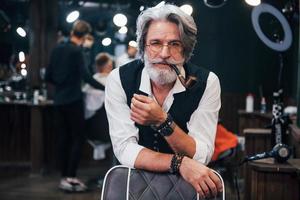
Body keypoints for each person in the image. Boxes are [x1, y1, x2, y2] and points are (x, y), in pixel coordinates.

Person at [105, 4, 222, 199]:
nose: (164, 54)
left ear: (186, 49)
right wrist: (179, 163)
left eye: (175, 44)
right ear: (143, 46)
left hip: (187, 188)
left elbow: (201, 155)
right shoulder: (119, 79)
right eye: (156, 43)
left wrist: (162, 121)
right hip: (131, 186)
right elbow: (125, 150)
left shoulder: (207, 82)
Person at [45, 20, 104, 192]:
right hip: (73, 101)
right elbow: (87, 77)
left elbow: (48, 76)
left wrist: (61, 83)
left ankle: (64, 177)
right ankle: (71, 176)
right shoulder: (77, 51)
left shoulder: (57, 49)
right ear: (85, 36)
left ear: (72, 32)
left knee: (63, 139)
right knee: (77, 138)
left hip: (59, 101)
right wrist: (108, 87)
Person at [83, 52, 113, 141]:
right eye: (110, 64)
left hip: (93, 122)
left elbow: (85, 92)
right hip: (106, 120)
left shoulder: (94, 79)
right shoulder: (112, 79)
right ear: (107, 65)